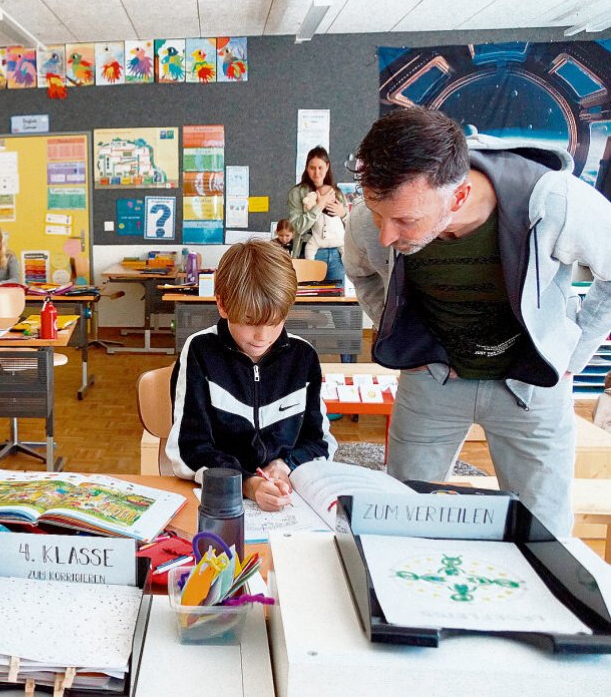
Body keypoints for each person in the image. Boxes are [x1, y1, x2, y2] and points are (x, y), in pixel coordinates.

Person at [343, 107, 611, 537]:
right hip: (434, 379)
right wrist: (400, 331)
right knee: (399, 519)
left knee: (543, 532)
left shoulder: (555, 201)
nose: (385, 236)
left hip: (530, 386)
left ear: (460, 197)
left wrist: (573, 355)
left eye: (406, 221)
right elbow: (360, 271)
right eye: (378, 214)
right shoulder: (371, 221)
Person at [164, 239, 337, 511]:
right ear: (222, 305)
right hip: (221, 494)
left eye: (274, 322)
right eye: (249, 323)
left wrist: (286, 465)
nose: (262, 337)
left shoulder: (303, 357)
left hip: (288, 496)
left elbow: (320, 442)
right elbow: (187, 450)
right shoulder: (199, 350)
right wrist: (246, 483)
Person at [288, 146, 348, 281]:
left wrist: (343, 214)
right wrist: (319, 205)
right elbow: (299, 227)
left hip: (337, 253)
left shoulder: (337, 192)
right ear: (306, 168)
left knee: (338, 297)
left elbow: (350, 227)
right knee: (309, 298)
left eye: (320, 167)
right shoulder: (298, 193)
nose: (316, 172)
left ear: (327, 167)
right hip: (310, 252)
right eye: (312, 168)